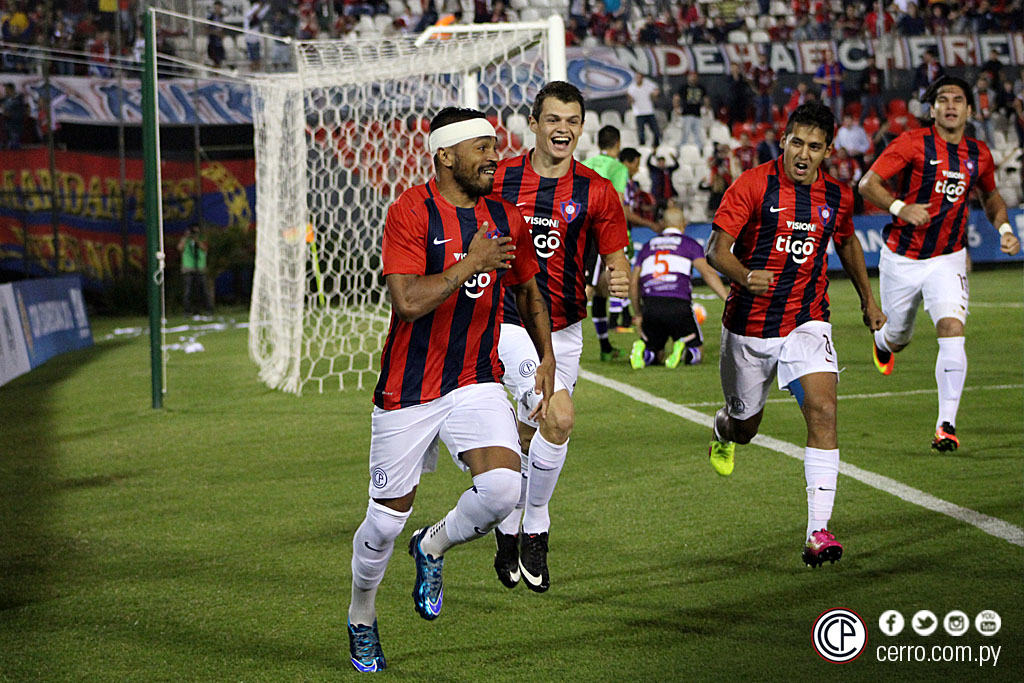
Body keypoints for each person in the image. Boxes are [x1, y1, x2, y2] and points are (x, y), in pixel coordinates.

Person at [346, 107, 555, 672]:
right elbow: (408, 302)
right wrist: (472, 262)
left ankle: (432, 545)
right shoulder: (409, 211)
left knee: (502, 490)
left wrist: (548, 355)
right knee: (385, 521)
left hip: (474, 379)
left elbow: (530, 291)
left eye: (495, 147)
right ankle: (362, 615)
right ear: (445, 156)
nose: (495, 156)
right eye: (482, 148)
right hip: (408, 389)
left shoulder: (504, 216)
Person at [705, 102, 886, 568]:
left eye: (815, 146)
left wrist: (868, 299)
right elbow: (715, 250)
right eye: (797, 143)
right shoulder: (752, 185)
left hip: (807, 319)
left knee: (824, 410)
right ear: (783, 141)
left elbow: (844, 239)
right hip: (748, 327)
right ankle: (722, 428)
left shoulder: (837, 197)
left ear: (829, 150)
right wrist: (745, 276)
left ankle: (817, 532)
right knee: (746, 428)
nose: (804, 154)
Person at [490, 82, 629, 593]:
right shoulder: (500, 178)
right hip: (507, 321)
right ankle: (536, 526)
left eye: (572, 120)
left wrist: (620, 275)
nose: (563, 129)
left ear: (581, 126)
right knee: (560, 414)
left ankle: (508, 528)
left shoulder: (596, 190)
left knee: (532, 432)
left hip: (565, 329)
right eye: (553, 119)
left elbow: (616, 254)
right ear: (533, 122)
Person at [858, 76, 1021, 452]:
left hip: (947, 258)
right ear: (931, 110)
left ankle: (945, 424)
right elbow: (868, 183)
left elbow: (991, 194)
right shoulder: (912, 144)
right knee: (898, 338)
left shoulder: (978, 153)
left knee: (951, 327)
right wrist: (901, 207)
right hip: (902, 258)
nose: (950, 105)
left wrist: (1005, 229)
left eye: (958, 100)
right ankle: (882, 342)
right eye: (942, 99)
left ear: (968, 109)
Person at [629, 206, 728, 369]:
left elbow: (634, 282)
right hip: (678, 305)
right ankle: (684, 351)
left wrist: (638, 313)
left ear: (662, 224)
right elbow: (708, 273)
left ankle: (646, 352)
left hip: (651, 306)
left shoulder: (647, 247)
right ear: (683, 224)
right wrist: (726, 298)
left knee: (655, 352)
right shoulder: (689, 244)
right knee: (696, 352)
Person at [581, 124, 631, 361]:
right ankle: (556, 334)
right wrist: (621, 236)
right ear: (618, 144)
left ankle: (605, 346)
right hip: (601, 231)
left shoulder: (586, 164)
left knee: (600, 288)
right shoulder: (618, 167)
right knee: (591, 287)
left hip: (579, 228)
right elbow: (618, 202)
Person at [177, 224, 213, 316]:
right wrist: (186, 237)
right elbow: (180, 248)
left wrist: (197, 240)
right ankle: (187, 310)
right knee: (188, 291)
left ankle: (207, 309)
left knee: (204, 290)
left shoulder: (202, 239)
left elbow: (205, 248)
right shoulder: (186, 240)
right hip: (188, 268)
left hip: (200, 268)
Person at [626, 71, 661, 147]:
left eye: (639, 77)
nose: (638, 79)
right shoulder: (632, 87)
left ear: (642, 78)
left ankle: (656, 146)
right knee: (641, 132)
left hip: (649, 111)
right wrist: (630, 100)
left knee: (656, 131)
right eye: (637, 77)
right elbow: (629, 98)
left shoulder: (648, 84)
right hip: (639, 113)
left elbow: (656, 89)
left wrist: (655, 94)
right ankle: (642, 147)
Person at [673, 71, 706, 148]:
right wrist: (676, 108)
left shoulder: (700, 87)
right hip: (686, 114)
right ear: (688, 78)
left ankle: (699, 149)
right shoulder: (684, 87)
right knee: (685, 133)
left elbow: (705, 99)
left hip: (697, 114)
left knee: (698, 134)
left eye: (694, 76)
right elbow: (676, 97)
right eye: (691, 76)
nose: (693, 78)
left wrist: (706, 108)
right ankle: (681, 148)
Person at [814, 47, 844, 121]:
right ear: (825, 56)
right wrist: (824, 81)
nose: (829, 56)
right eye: (827, 55)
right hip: (827, 92)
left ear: (833, 55)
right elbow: (815, 79)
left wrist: (840, 78)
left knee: (839, 110)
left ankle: (839, 125)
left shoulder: (838, 65)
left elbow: (844, 75)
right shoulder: (822, 67)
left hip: (838, 91)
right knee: (827, 110)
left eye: (830, 55)